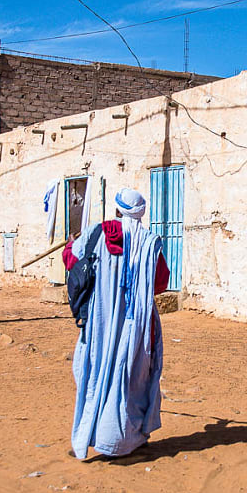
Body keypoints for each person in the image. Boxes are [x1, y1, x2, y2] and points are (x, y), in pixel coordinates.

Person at [62, 187, 169, 459]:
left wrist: (69, 244)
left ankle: (94, 435)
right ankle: (129, 436)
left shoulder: (96, 232)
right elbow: (161, 282)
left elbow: (71, 261)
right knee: (133, 376)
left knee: (96, 372)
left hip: (100, 321)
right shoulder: (149, 242)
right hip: (138, 325)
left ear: (117, 209)